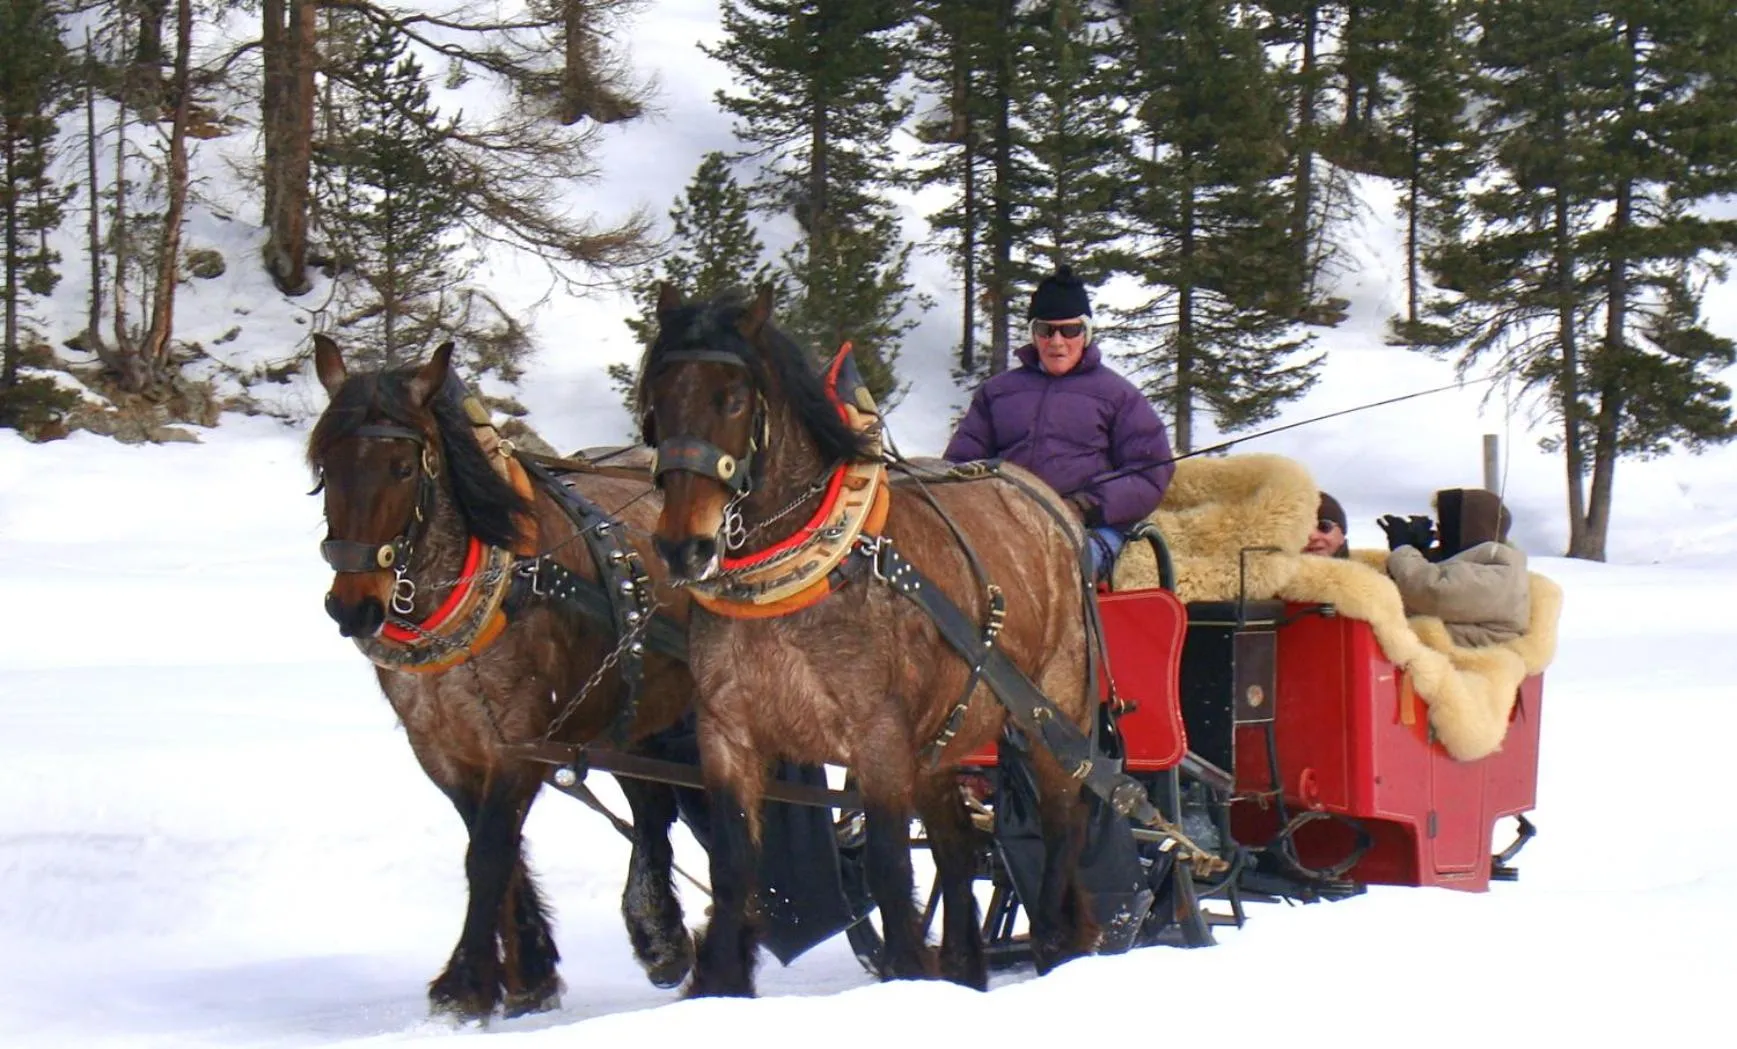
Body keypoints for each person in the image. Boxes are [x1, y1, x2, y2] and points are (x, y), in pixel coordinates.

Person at [944, 265, 1175, 581]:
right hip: (1006, 523)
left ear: (1086, 333)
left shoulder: (1119, 396)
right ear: (1033, 334)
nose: (1057, 342)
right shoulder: (997, 393)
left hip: (1090, 529)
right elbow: (959, 466)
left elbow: (1150, 472)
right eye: (1046, 330)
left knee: (1046, 571)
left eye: (1069, 330)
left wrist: (1085, 505)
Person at [1378, 488, 1530, 647]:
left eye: (1443, 528)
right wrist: (1420, 551)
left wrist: (1402, 548)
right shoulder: (1481, 564)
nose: (1437, 535)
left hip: (1467, 659)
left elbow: (1431, 594)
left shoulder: (1498, 574)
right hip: (1446, 653)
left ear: (1466, 531)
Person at [1305, 492, 1350, 558]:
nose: (1313, 537)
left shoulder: (1365, 564)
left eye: (1324, 527)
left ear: (1342, 535)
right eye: (1304, 529)